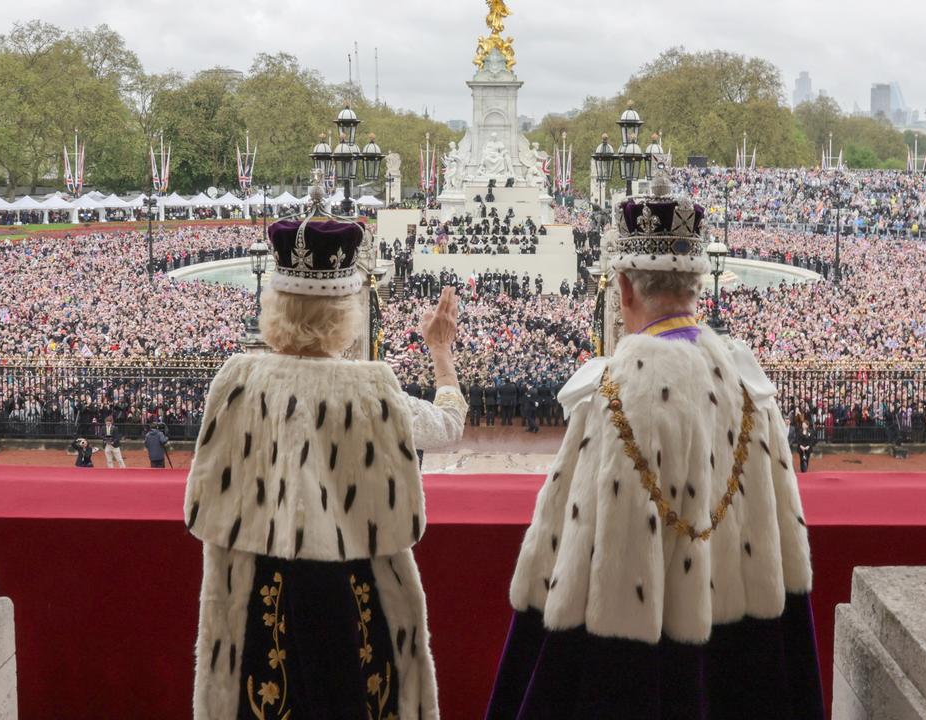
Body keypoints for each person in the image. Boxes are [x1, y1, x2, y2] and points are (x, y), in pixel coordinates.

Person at [486, 175, 823, 719]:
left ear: (623, 289)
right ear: (696, 285)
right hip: (741, 658)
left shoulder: (617, 394)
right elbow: (784, 547)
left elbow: (585, 561)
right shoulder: (749, 383)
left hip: (642, 665)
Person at [184, 198, 467, 720]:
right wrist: (442, 355)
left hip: (256, 598)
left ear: (275, 306)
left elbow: (201, 506)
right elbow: (448, 426)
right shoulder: (372, 390)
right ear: (345, 313)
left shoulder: (235, 381)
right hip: (354, 597)